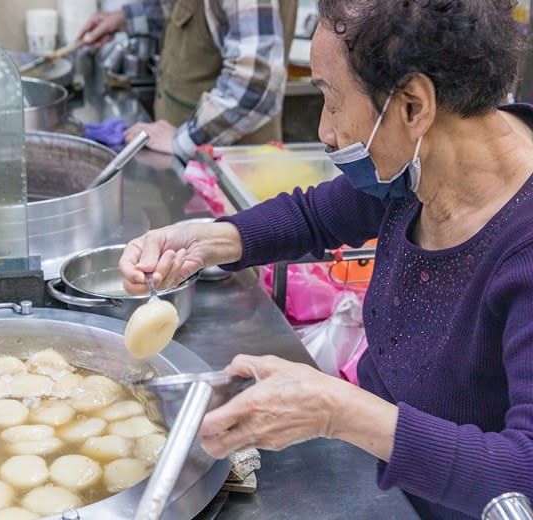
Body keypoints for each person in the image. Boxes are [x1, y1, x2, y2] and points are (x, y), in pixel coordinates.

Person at [118, 1, 533, 518]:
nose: (325, 130)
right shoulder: (420, 168)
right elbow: (316, 216)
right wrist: (205, 240)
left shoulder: (520, 246)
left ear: (412, 106)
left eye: (332, 100)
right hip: (377, 479)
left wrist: (338, 412)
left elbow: (522, 473)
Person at [77, 0, 297, 161]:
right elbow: (188, 10)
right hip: (189, 158)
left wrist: (181, 140)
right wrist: (125, 19)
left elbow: (256, 84)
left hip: (226, 171)